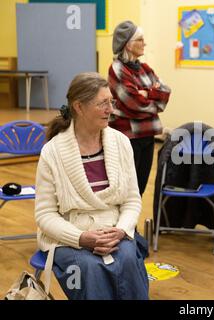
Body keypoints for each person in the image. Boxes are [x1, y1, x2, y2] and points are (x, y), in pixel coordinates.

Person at [35, 72, 149, 300]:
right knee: (90, 267)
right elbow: (45, 214)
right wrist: (80, 238)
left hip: (114, 229)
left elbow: (132, 200)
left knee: (126, 259)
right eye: (103, 103)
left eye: (111, 102)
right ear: (79, 106)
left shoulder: (121, 143)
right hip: (70, 233)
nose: (111, 109)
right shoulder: (52, 152)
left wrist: (121, 230)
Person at [108, 20, 171, 196]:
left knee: (140, 186)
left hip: (147, 134)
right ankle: (125, 224)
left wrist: (145, 93)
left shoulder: (144, 68)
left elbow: (166, 92)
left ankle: (132, 223)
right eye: (140, 40)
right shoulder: (117, 69)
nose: (145, 43)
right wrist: (152, 93)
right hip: (128, 136)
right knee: (127, 188)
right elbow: (134, 104)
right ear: (128, 45)